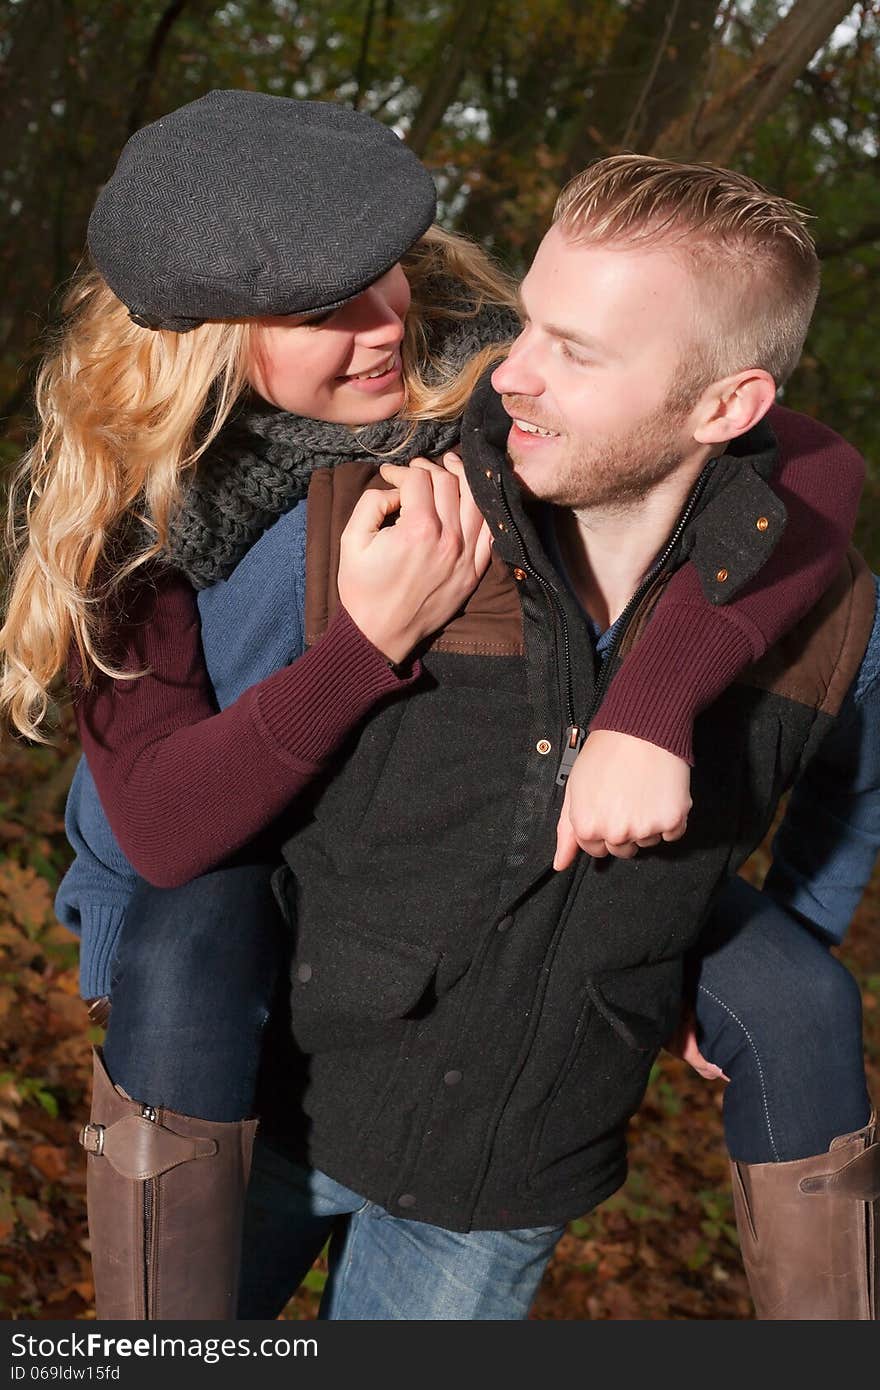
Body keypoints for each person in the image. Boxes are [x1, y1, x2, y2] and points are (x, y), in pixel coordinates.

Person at [0, 93, 872, 1318]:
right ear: (203, 342)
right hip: (228, 879)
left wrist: (651, 707)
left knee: (793, 997)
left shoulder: (488, 364)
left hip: (451, 861)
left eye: (387, 276)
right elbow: (167, 829)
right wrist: (369, 640)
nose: (383, 326)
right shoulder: (135, 520)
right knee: (193, 949)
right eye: (322, 312)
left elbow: (809, 469)